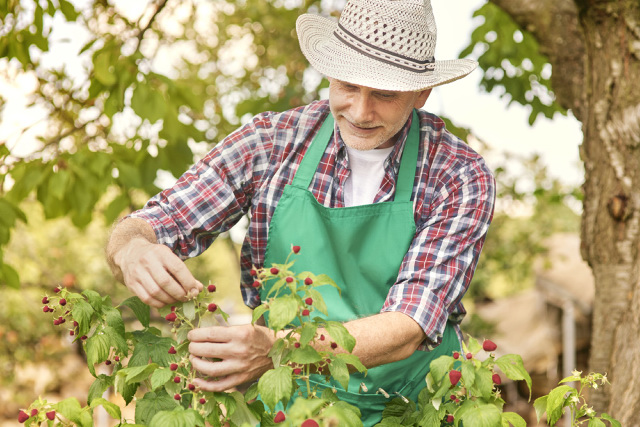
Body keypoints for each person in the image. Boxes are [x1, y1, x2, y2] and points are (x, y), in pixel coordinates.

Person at [106, 0, 495, 424]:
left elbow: (410, 324)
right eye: (348, 86)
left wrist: (277, 348)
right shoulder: (272, 142)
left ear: (422, 92)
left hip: (414, 404)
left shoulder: (458, 175)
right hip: (294, 404)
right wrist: (132, 249)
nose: (361, 111)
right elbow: (158, 220)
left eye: (384, 93)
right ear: (329, 72)